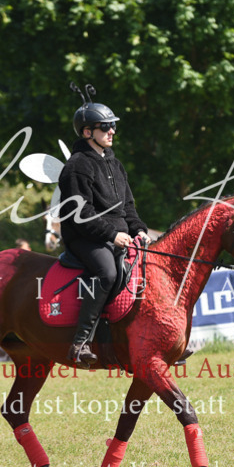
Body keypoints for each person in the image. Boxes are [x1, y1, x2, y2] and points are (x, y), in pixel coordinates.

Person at [57, 85, 150, 367]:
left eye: (113, 126)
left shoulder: (115, 163)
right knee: (108, 273)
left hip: (117, 235)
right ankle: (81, 341)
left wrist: (138, 229)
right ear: (87, 132)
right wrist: (112, 234)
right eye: (105, 127)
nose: (112, 131)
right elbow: (79, 213)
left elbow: (128, 207)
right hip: (86, 238)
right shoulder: (76, 166)